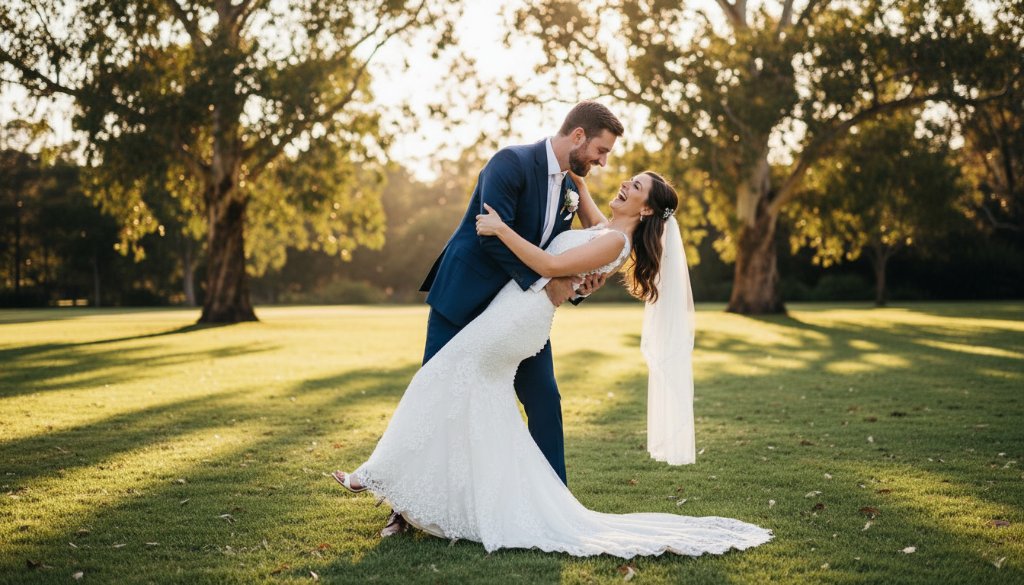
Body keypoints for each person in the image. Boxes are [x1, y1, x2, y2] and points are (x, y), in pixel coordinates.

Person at [331, 171, 773, 557]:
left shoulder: (616, 242)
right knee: (478, 397)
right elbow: (591, 216)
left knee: (439, 377)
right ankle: (450, 495)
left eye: (635, 186)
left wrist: (500, 229)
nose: (624, 183)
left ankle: (374, 475)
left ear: (647, 209)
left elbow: (549, 263)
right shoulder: (608, 229)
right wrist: (577, 178)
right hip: (513, 309)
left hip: (520, 317)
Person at [369, 101, 625, 536]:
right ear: (578, 136)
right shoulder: (511, 162)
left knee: (545, 400)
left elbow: (565, 251)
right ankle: (404, 509)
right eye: (601, 150)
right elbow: (489, 236)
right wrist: (543, 283)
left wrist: (576, 283)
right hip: (464, 300)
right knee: (438, 397)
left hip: (515, 315)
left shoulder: (571, 187)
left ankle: (554, 504)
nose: (603, 161)